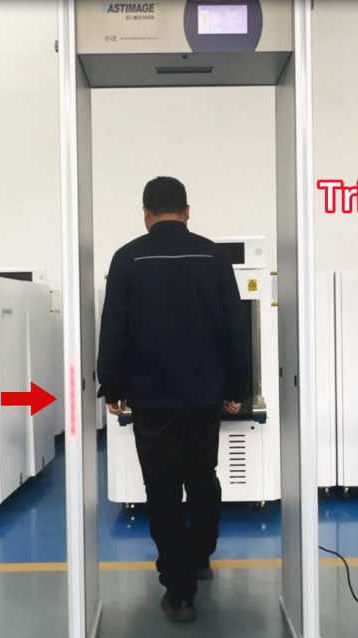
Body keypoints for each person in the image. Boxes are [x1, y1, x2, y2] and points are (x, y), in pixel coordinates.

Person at [96, 176, 251, 623]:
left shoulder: (127, 259)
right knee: (202, 479)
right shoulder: (214, 257)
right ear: (187, 211)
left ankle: (179, 594)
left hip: (152, 399)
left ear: (145, 214)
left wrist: (113, 386)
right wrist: (236, 388)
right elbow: (234, 329)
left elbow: (114, 329)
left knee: (162, 490)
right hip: (203, 397)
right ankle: (200, 557)